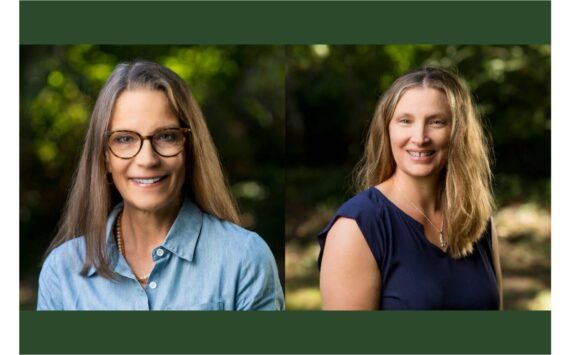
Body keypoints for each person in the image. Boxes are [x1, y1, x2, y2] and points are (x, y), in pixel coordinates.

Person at [37, 60, 284, 310]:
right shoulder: (61, 273)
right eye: (124, 139)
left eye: (166, 136)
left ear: (190, 149)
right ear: (105, 157)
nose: (147, 159)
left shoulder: (244, 259)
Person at [318, 67, 502, 310]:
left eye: (436, 122)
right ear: (387, 130)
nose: (420, 137)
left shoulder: (477, 219)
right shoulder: (357, 227)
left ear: (459, 133)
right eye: (405, 121)